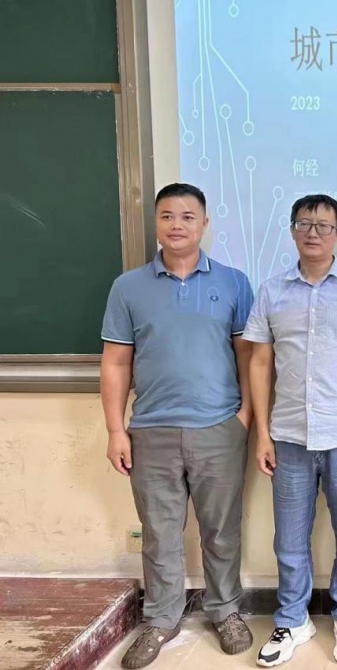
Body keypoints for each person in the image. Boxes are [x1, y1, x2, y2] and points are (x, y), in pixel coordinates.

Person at [101, 183, 255, 669]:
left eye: (188, 216)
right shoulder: (128, 287)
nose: (177, 225)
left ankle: (225, 610)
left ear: (204, 224)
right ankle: (161, 618)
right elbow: (116, 363)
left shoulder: (234, 282)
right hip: (151, 430)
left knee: (221, 530)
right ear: (156, 223)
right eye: (167, 216)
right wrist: (115, 429)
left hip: (219, 427)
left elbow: (248, 357)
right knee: (159, 533)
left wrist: (246, 416)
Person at [243, 194, 337, 666]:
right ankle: (292, 619)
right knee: (288, 539)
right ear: (291, 230)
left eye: (324, 225)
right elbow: (259, 362)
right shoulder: (271, 292)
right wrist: (262, 433)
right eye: (304, 223)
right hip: (288, 435)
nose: (313, 233)